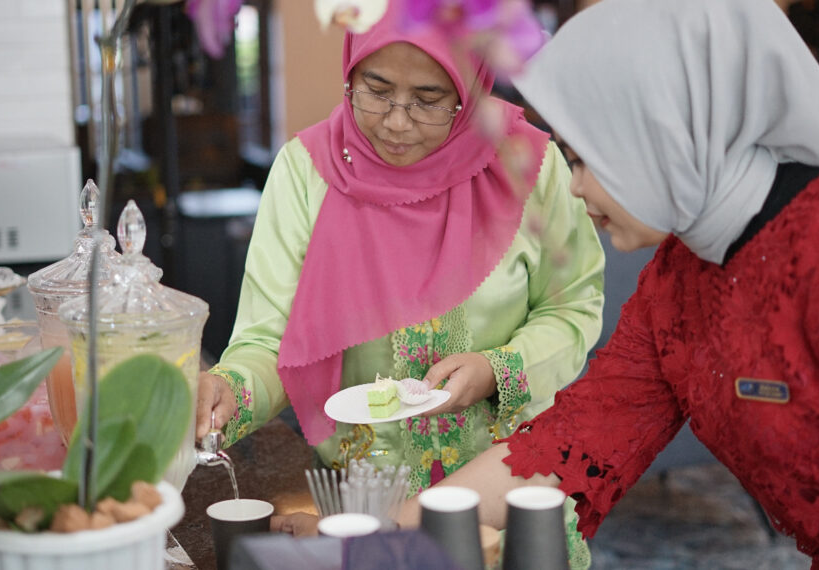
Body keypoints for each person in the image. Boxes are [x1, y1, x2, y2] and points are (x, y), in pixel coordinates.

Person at [387, 0, 819, 567]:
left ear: (662, 133)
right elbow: (579, 440)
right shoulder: (681, 275)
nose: (574, 187)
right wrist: (402, 525)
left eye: (584, 159)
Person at [194, 1, 605, 564]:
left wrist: (498, 369)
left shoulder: (529, 166)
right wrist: (227, 392)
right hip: (362, 508)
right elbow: (270, 343)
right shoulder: (305, 174)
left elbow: (574, 305)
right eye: (376, 88)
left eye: (430, 100)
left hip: (505, 503)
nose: (396, 121)